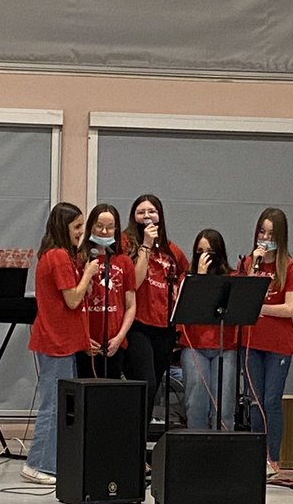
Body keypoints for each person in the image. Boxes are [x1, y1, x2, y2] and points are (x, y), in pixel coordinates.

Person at [22, 203, 97, 485]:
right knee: (52, 406)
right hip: (55, 342)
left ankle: (52, 461)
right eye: (77, 227)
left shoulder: (63, 256)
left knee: (62, 405)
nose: (81, 232)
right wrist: (89, 273)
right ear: (62, 228)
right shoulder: (57, 257)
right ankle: (37, 462)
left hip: (65, 340)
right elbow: (72, 300)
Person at [238, 207, 293, 477]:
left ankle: (272, 457)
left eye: (271, 234)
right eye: (262, 232)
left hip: (278, 344)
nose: (265, 238)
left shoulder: (290, 266)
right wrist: (254, 266)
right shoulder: (248, 264)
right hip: (252, 341)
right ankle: (255, 455)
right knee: (255, 401)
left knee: (271, 399)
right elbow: (243, 298)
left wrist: (261, 309)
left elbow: (290, 308)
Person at [122, 195, 189, 433]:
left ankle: (141, 441)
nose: (147, 215)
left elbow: (185, 281)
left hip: (165, 328)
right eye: (141, 212)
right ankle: (132, 441)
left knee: (156, 386)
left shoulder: (172, 250)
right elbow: (135, 282)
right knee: (145, 383)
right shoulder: (126, 243)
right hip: (138, 325)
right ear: (134, 216)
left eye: (152, 211)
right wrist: (146, 246)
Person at [179, 229, 237, 430]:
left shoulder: (232, 278)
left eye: (210, 251)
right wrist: (199, 277)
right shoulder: (186, 279)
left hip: (225, 347)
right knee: (195, 402)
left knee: (224, 405)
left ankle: (222, 453)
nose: (205, 256)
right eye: (200, 251)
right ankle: (197, 449)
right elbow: (187, 310)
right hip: (195, 347)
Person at [76, 203, 136, 379]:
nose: (104, 232)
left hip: (114, 343)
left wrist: (119, 338)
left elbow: (131, 305)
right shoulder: (80, 259)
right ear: (91, 227)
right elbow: (73, 302)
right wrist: (83, 338)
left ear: (116, 230)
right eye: (99, 226)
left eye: (110, 227)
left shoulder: (124, 261)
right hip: (86, 343)